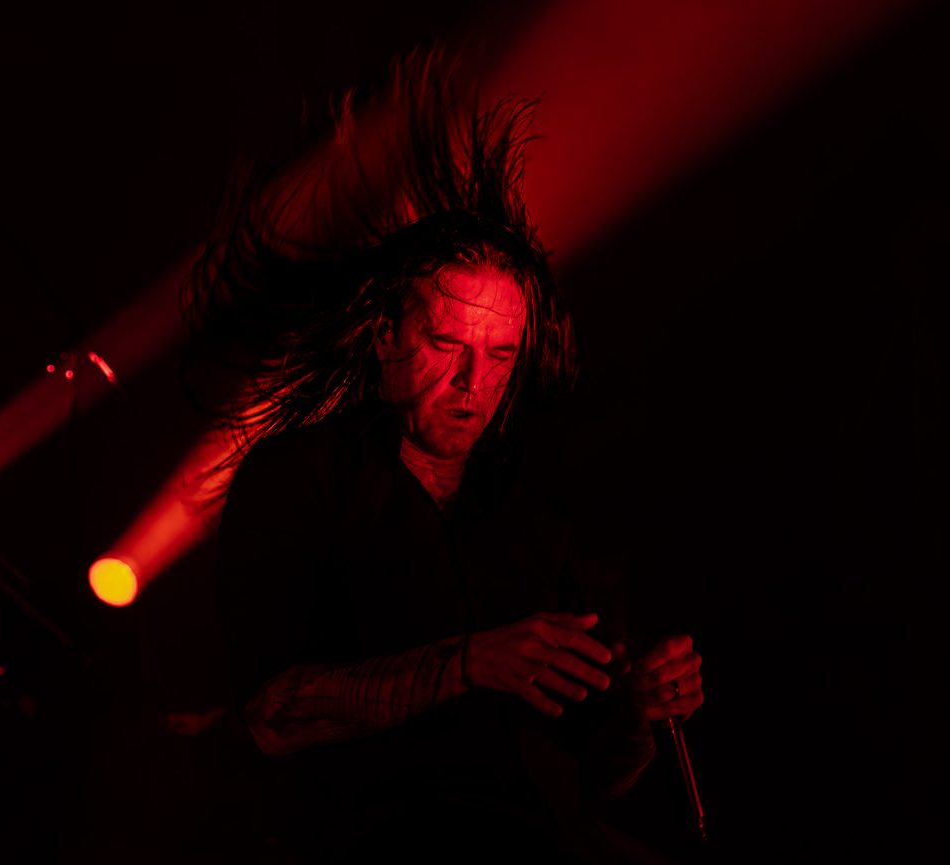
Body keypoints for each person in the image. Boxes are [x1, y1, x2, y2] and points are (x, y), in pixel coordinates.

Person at [189, 52, 705, 863]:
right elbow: (271, 716)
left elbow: (592, 776)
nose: (473, 381)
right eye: (446, 344)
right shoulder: (303, 479)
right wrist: (466, 662)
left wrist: (642, 709)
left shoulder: (535, 520)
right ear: (385, 336)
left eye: (500, 355)